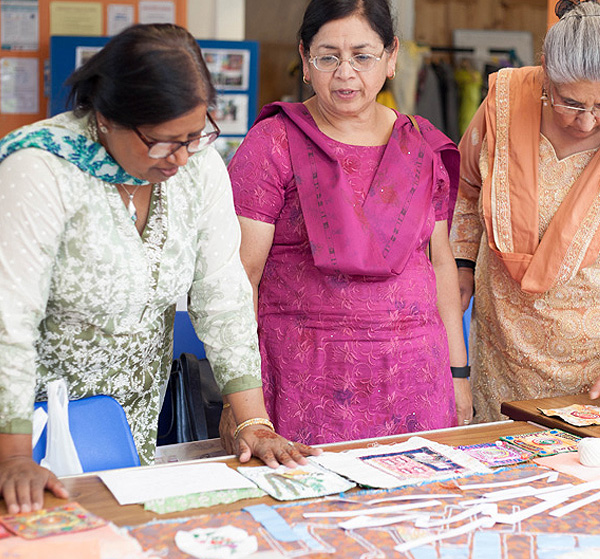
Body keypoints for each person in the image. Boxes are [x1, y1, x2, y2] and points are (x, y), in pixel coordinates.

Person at [0, 23, 318, 515]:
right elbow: (8, 320)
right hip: (27, 436)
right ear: (107, 117)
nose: (182, 157)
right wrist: (14, 457)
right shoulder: (41, 168)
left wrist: (253, 422)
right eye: (163, 142)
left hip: (129, 439)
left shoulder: (197, 168)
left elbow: (224, 295)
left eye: (195, 135)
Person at [226, 0, 472, 446]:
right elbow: (241, 276)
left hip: (418, 378)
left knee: (419, 507)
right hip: (309, 378)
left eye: (362, 56)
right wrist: (240, 401)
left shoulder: (421, 145)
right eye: (328, 57)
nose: (345, 73)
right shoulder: (273, 142)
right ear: (304, 59)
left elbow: (439, 266)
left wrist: (458, 373)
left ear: (391, 57)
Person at [450, 0, 600, 423]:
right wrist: (462, 263)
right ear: (545, 72)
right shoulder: (504, 102)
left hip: (591, 360)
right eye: (570, 103)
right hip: (501, 342)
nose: (586, 123)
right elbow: (466, 190)